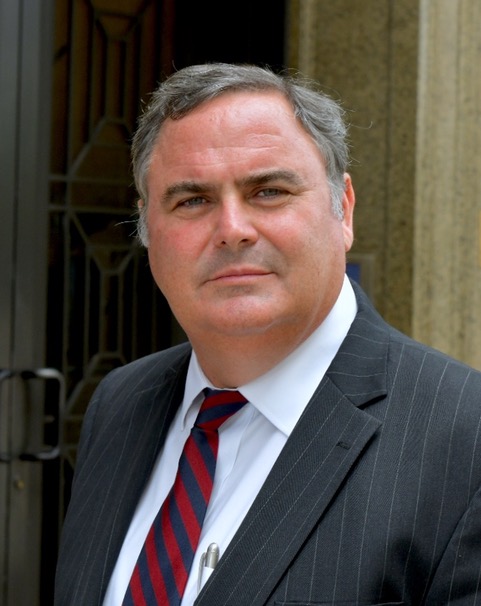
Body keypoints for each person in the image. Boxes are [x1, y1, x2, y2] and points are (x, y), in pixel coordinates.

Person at [54, 63, 481, 606]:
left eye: (269, 191)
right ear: (148, 230)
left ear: (343, 210)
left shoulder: (466, 438)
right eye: (192, 200)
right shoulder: (120, 402)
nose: (232, 230)